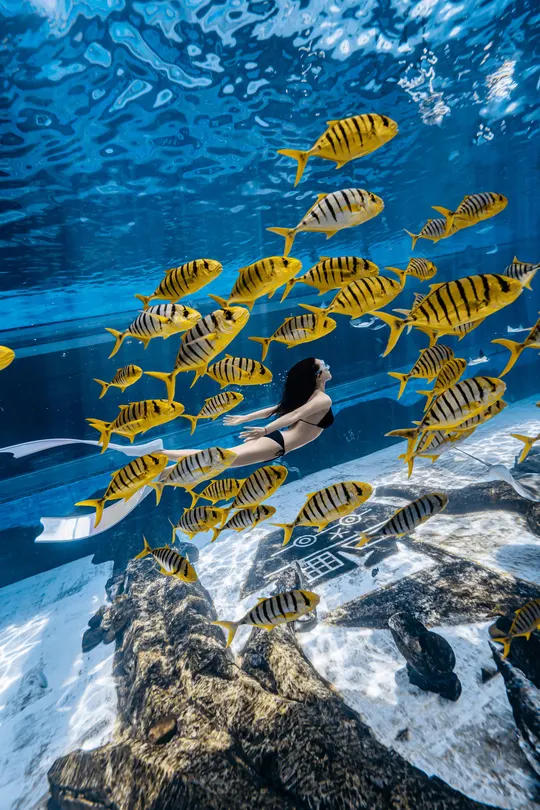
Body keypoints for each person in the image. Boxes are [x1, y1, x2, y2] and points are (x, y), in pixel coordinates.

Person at [162, 357, 334, 467]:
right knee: (216, 461)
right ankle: (158, 456)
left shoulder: (312, 397)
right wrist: (266, 430)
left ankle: (160, 469)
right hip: (276, 444)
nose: (328, 367)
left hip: (276, 441)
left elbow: (278, 409)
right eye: (325, 365)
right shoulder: (322, 399)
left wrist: (247, 418)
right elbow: (294, 415)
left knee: (216, 459)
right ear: (318, 376)